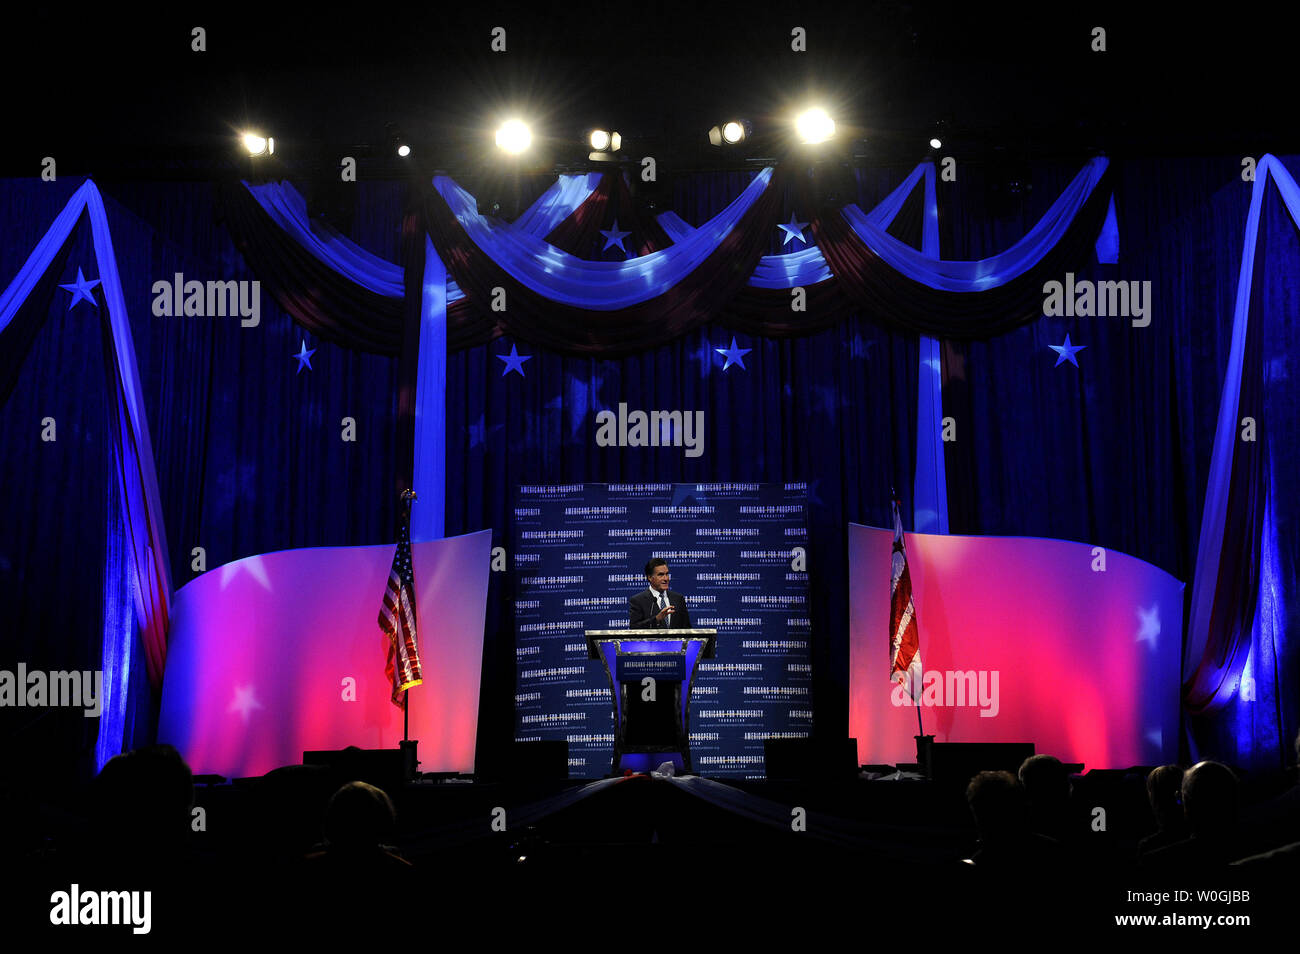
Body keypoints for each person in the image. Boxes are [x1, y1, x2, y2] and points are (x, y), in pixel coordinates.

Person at [629, 557, 691, 629]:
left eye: (667, 574)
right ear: (650, 577)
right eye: (661, 575)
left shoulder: (678, 599)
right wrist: (657, 619)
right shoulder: (638, 601)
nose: (665, 579)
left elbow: (687, 629)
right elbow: (634, 628)